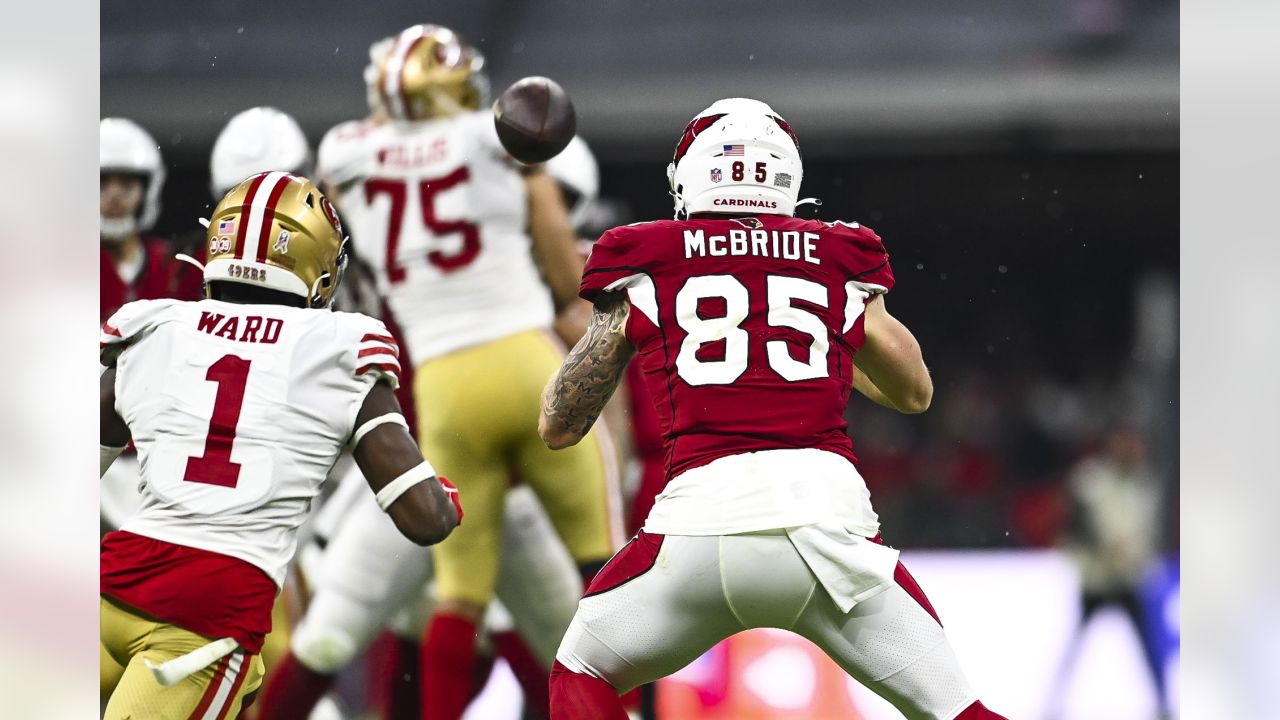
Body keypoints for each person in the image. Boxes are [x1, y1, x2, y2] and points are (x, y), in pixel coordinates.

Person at [540, 98, 1009, 720]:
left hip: (699, 530)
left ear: (690, 177)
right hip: (828, 533)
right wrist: (831, 345)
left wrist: (632, 333)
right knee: (958, 710)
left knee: (582, 669)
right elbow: (914, 391)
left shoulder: (646, 255)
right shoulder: (838, 252)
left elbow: (558, 425)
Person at [315, 24, 622, 720]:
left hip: (443, 383)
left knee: (458, 596)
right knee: (601, 570)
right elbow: (565, 272)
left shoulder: (345, 151)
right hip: (525, 359)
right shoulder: (494, 136)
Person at [257, 131, 609, 720]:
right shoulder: (440, 254)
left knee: (564, 656)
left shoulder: (471, 254)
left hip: (485, 481)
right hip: (416, 472)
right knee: (334, 636)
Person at [99, 172, 461, 720]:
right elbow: (425, 519)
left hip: (107, 588)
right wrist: (449, 495)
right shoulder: (339, 347)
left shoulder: (154, 326)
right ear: (318, 268)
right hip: (209, 614)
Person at [1049, 424, 1169, 718]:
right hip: (1097, 578)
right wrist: (1098, 550)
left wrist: (1138, 557)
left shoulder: (1143, 484)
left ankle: (1163, 702)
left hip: (1128, 578)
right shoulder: (1090, 481)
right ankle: (1055, 700)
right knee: (1077, 643)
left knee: (1147, 645)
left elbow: (1148, 529)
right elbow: (1073, 525)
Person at [100, 117, 180, 322]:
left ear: (147, 191)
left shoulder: (174, 269)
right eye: (101, 184)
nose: (114, 198)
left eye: (127, 185)